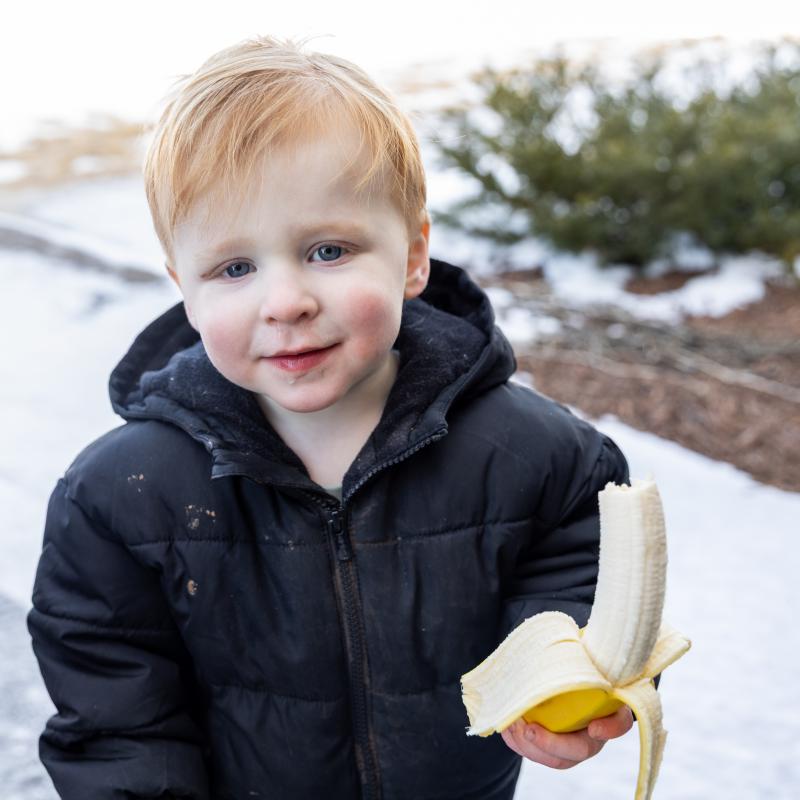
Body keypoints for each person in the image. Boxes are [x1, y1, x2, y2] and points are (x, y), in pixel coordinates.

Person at [27, 34, 634, 800]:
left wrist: (559, 665)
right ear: (183, 284)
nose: (285, 302)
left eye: (327, 250)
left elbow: (575, 559)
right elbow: (116, 720)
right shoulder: (121, 496)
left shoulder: (532, 454)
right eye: (235, 268)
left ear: (413, 256)